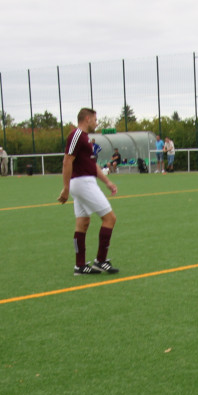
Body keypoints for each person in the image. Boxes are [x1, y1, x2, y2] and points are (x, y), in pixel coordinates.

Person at [59, 107, 119, 276]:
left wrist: (107, 182)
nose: (96, 123)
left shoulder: (85, 138)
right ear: (87, 119)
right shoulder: (76, 135)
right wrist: (65, 188)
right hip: (83, 183)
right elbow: (67, 161)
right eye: (95, 119)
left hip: (84, 182)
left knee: (83, 222)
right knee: (110, 218)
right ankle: (100, 261)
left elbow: (92, 164)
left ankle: (80, 266)